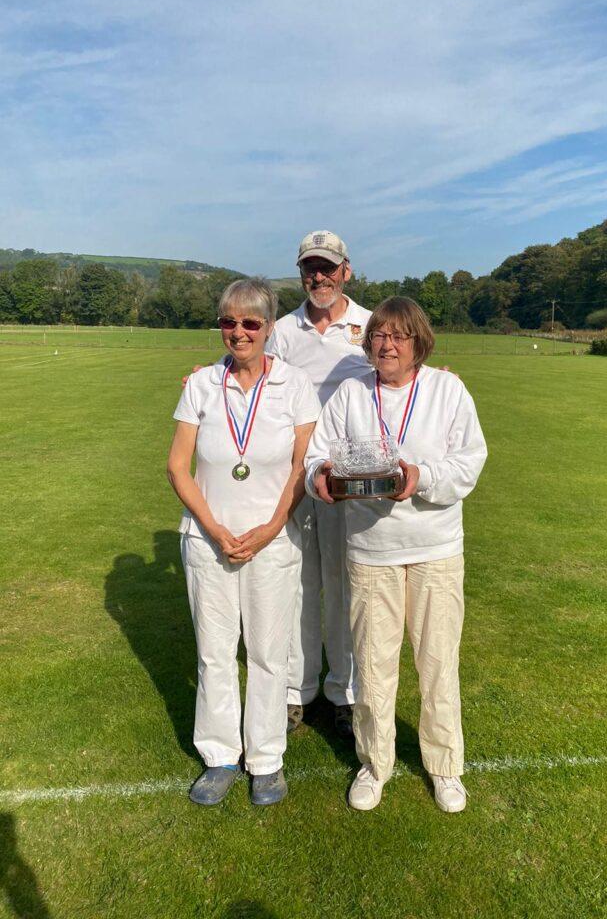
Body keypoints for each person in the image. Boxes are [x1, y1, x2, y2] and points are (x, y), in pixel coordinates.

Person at [304, 296, 487, 813]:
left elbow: (470, 461)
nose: (387, 345)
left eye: (399, 336)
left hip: (435, 549)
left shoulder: (448, 390)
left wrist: (421, 478)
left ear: (419, 343)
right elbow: (319, 455)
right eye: (379, 336)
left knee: (437, 664)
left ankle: (445, 767)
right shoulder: (349, 393)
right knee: (373, 665)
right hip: (370, 551)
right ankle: (373, 764)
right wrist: (323, 481)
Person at [167, 278, 319, 807]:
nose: (238, 332)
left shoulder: (296, 385)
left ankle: (267, 759)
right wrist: (213, 528)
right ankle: (219, 756)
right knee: (213, 653)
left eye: (250, 322)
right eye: (228, 322)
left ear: (268, 327)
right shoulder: (202, 384)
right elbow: (177, 467)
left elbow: (303, 466)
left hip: (273, 542)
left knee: (269, 654)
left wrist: (274, 525)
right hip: (208, 541)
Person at [267, 231, 372, 736]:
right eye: (310, 267)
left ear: (346, 270)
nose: (319, 276)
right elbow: (254, 376)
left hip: (350, 477)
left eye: (328, 267)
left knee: (346, 584)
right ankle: (296, 691)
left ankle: (344, 692)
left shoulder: (369, 325)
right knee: (299, 582)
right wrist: (210, 373)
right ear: (300, 273)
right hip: (293, 473)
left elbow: (401, 372)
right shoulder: (283, 330)